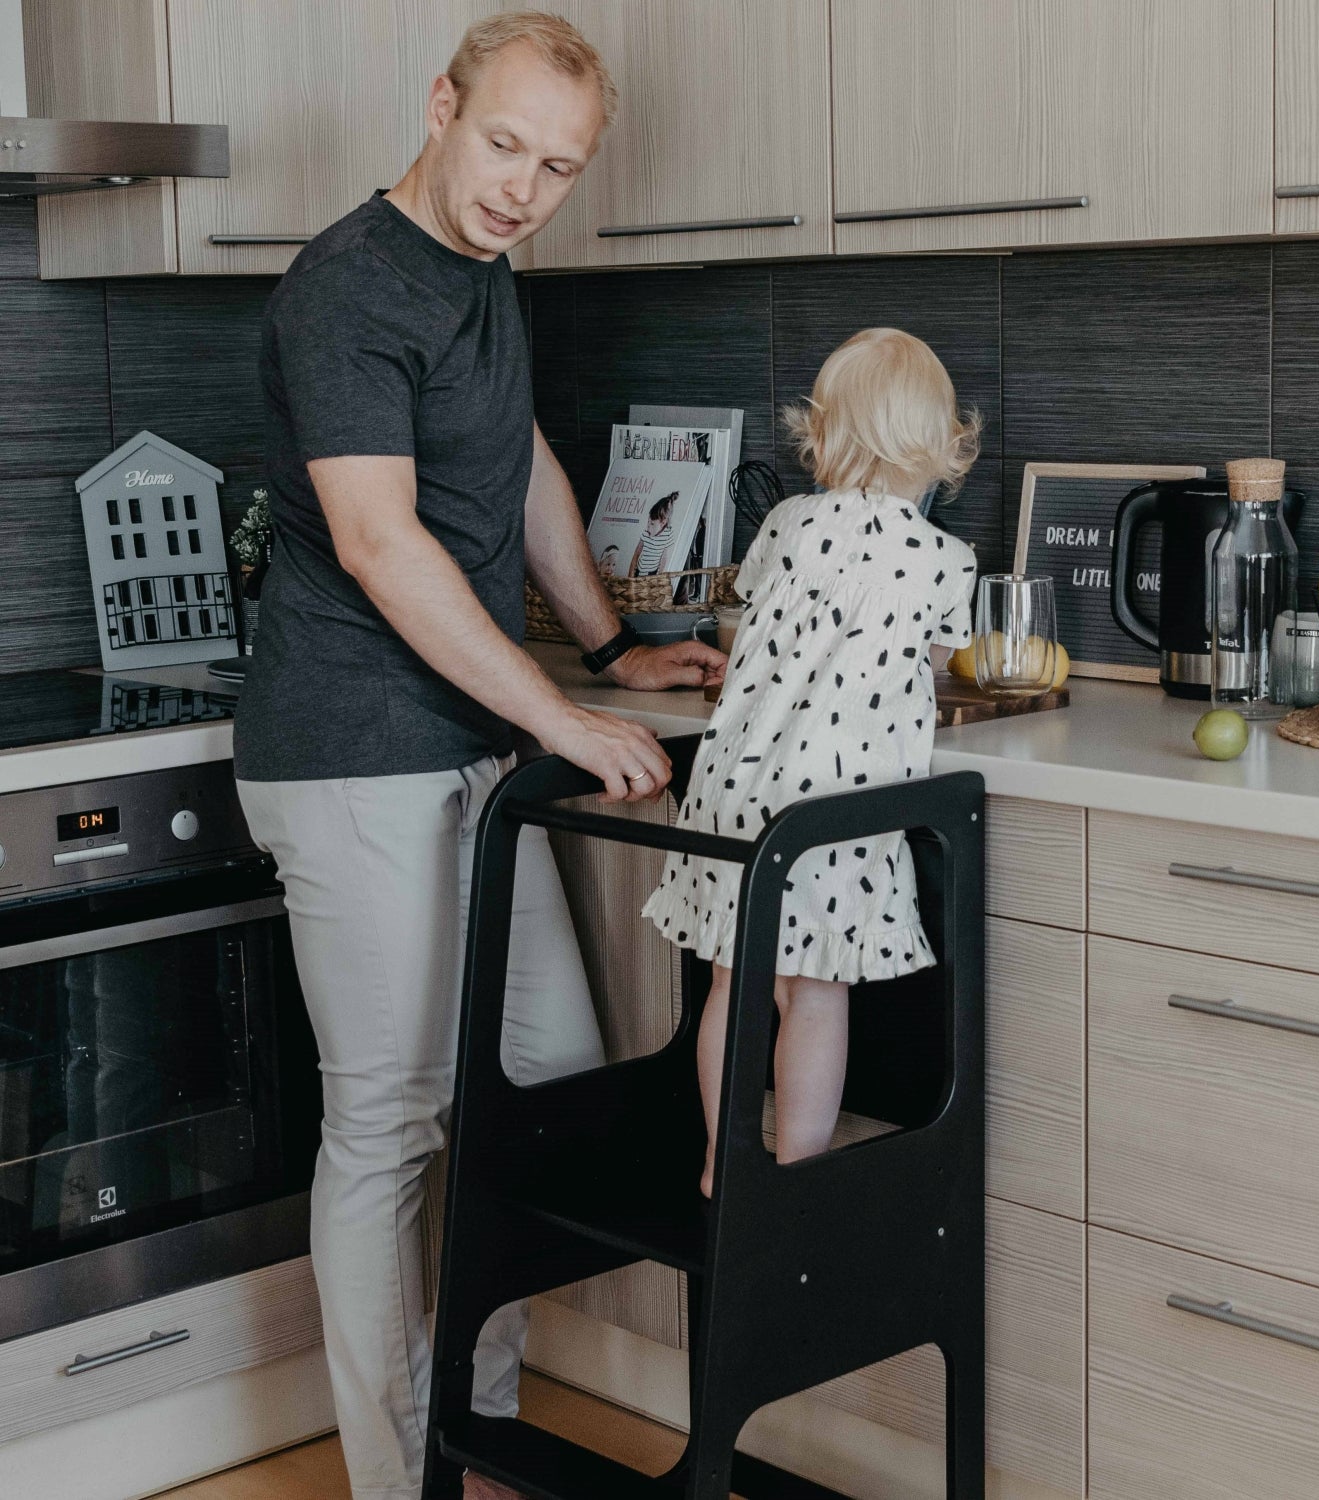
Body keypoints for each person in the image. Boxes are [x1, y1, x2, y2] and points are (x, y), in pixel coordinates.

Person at [231, 14, 723, 1500]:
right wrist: (563, 716)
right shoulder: (348, 288)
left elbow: (519, 477)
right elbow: (383, 543)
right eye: (502, 145)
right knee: (386, 1126)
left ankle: (476, 1426)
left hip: (467, 754)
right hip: (351, 752)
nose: (522, 186)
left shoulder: (484, 276)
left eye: (556, 166)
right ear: (441, 108)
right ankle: (407, 1480)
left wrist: (611, 650)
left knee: (547, 1084)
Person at [642, 329, 980, 1197]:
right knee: (817, 995)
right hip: (831, 816)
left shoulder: (787, 524)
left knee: (733, 983)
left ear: (824, 433)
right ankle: (795, 1178)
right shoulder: (944, 560)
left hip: (734, 792)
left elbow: (755, 619)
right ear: (940, 443)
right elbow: (942, 663)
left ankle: (725, 1162)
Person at [627, 490, 677, 576]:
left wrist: (658, 576)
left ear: (663, 523)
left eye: (652, 524)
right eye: (648, 522)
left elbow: (664, 558)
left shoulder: (667, 535)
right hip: (639, 570)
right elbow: (636, 554)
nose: (648, 526)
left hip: (652, 573)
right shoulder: (646, 533)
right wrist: (630, 574)